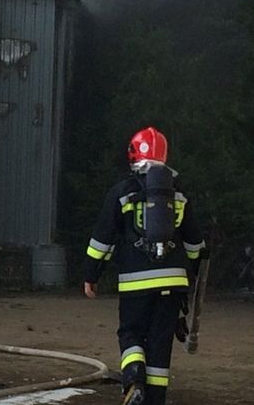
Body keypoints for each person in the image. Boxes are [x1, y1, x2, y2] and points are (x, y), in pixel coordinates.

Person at [83, 127, 205, 405]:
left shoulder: (123, 192)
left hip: (136, 282)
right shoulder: (179, 196)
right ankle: (155, 399)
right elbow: (196, 244)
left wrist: (91, 274)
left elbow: (101, 239)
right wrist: (194, 272)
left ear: (133, 154)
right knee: (161, 343)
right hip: (173, 284)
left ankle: (134, 382)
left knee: (131, 332)